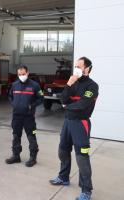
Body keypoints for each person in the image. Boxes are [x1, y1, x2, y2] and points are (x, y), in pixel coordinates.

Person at [49, 57, 99, 200]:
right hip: (68, 122)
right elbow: (63, 99)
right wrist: (69, 84)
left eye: (79, 66)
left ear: (87, 69)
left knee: (82, 157)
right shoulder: (73, 83)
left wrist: (67, 106)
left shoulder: (92, 86)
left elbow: (83, 104)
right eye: (75, 66)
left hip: (81, 124)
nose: (76, 68)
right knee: (63, 151)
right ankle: (63, 177)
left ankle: (86, 190)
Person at [6, 65, 43, 167]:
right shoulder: (14, 84)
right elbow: (10, 96)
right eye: (19, 74)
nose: (21, 76)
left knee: (31, 136)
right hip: (16, 116)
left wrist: (32, 106)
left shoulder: (35, 85)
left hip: (29, 116)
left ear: (27, 73)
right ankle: (16, 156)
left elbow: (41, 98)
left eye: (23, 74)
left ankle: (33, 158)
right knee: (16, 136)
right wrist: (13, 104)